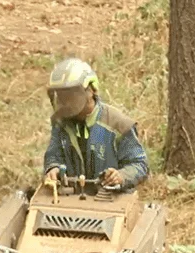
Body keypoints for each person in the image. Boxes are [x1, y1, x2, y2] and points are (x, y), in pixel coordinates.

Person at [42, 58, 148, 190]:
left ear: (91, 90)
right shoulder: (60, 122)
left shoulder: (117, 124)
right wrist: (53, 168)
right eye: (61, 96)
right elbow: (54, 154)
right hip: (70, 199)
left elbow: (140, 165)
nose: (65, 101)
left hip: (110, 200)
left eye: (70, 94)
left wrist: (121, 176)